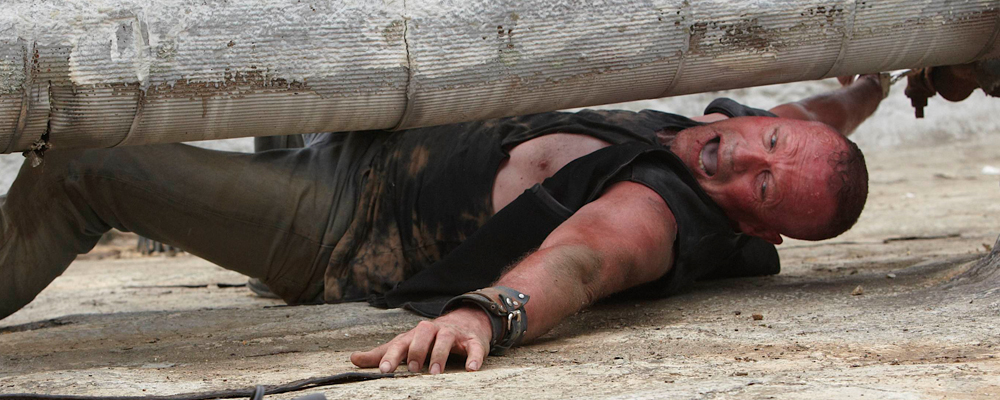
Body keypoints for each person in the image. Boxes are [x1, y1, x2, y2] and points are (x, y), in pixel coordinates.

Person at [0, 74, 883, 374]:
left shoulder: (657, 214)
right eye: (769, 141)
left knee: (86, 166)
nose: (747, 157)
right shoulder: (752, 133)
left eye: (766, 187)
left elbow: (583, 261)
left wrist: (485, 314)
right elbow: (820, 114)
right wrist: (881, 81)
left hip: (341, 222)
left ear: (762, 232)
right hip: (371, 133)